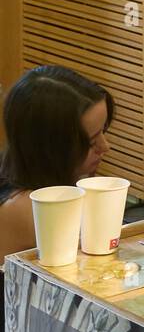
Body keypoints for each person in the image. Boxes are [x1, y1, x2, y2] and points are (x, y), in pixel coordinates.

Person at [0, 65, 114, 268]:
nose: (105, 147)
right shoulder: (28, 208)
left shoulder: (20, 169)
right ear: (50, 148)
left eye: (104, 130)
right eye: (91, 142)